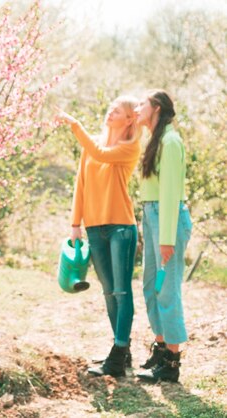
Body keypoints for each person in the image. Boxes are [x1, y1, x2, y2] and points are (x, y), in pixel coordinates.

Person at [57, 96, 140, 377]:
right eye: (110, 108)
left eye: (117, 110)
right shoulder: (90, 144)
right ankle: (123, 351)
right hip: (94, 227)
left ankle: (117, 353)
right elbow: (80, 184)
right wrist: (74, 223)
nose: (110, 112)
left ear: (129, 119)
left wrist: (76, 126)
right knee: (108, 292)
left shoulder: (130, 147)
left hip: (121, 227)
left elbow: (102, 154)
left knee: (121, 290)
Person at [134, 90, 192, 383]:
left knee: (167, 289)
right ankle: (160, 347)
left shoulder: (170, 141)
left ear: (156, 108)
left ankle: (172, 361)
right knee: (150, 286)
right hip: (152, 215)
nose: (136, 108)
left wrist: (166, 238)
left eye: (141, 104)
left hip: (166, 219)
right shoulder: (155, 139)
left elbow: (170, 193)